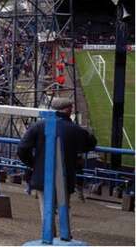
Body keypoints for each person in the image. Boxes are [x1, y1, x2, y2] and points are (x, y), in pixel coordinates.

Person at [17, 97, 97, 239]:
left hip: (42, 177)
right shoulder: (75, 129)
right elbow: (90, 143)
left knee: (46, 209)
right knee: (64, 208)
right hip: (65, 177)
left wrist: (33, 164)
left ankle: (49, 237)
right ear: (68, 110)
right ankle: (65, 237)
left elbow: (22, 149)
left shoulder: (39, 126)